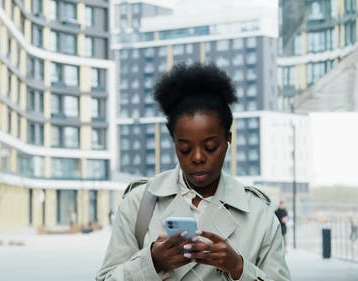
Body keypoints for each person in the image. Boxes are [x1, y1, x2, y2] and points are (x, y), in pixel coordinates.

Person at [96, 63, 290, 281]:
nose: (197, 157)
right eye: (185, 148)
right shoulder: (139, 204)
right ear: (174, 143)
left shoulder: (259, 214)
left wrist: (237, 267)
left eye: (210, 147)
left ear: (228, 139)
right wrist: (151, 262)